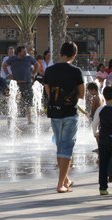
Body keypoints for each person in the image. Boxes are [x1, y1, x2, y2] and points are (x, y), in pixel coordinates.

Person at [44, 41, 85, 193]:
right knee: (67, 147)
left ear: (60, 53)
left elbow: (47, 91)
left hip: (54, 112)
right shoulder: (76, 71)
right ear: (74, 55)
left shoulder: (49, 70)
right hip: (69, 112)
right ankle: (60, 184)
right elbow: (82, 94)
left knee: (60, 145)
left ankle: (66, 179)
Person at [92, 85, 112, 195]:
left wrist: (95, 133)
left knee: (103, 164)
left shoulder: (100, 109)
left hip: (103, 140)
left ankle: (103, 188)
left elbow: (94, 123)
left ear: (104, 97)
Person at [3, 45, 38, 124]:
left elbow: (36, 65)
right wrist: (8, 74)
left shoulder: (28, 58)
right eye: (24, 51)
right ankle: (12, 119)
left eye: (26, 51)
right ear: (19, 52)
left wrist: (33, 74)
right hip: (16, 84)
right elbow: (4, 65)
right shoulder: (13, 59)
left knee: (28, 102)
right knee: (14, 101)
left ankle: (29, 120)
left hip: (27, 83)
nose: (26, 53)